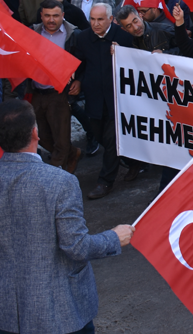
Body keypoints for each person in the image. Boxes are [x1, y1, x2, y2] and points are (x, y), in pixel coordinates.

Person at [0, 100, 135, 334]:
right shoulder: (60, 182)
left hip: (7, 313)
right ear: (35, 132)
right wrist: (114, 238)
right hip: (60, 313)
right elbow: (77, 247)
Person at [70, 3, 136, 199]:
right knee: (99, 135)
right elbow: (79, 64)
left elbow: (136, 64)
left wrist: (123, 54)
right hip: (95, 98)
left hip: (118, 98)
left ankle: (105, 181)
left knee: (112, 140)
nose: (95, 23)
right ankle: (134, 163)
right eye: (92, 19)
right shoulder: (83, 38)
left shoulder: (124, 36)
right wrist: (79, 81)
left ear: (110, 19)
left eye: (100, 19)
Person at [28, 0, 82, 173]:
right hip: (37, 92)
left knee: (61, 139)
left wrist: (78, 80)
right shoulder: (32, 33)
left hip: (59, 93)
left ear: (63, 16)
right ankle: (73, 153)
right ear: (41, 16)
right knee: (41, 136)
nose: (51, 20)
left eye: (55, 16)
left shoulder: (73, 35)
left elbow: (83, 62)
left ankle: (58, 175)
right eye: (47, 16)